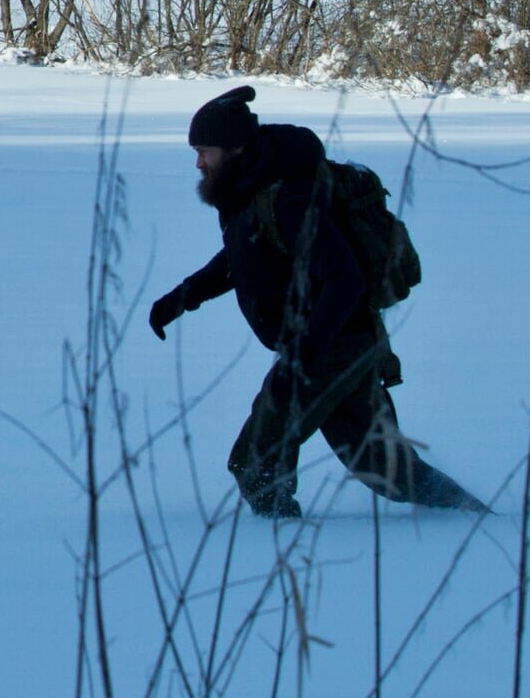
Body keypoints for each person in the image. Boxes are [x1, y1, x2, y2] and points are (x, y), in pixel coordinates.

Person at [146, 85, 474, 516]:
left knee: (255, 463)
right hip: (339, 346)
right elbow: (244, 256)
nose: (198, 162)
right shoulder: (251, 191)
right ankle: (471, 517)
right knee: (383, 466)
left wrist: (304, 355)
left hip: (329, 348)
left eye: (205, 150)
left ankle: (275, 549)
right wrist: (181, 299)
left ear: (237, 147)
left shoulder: (289, 199)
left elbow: (345, 279)